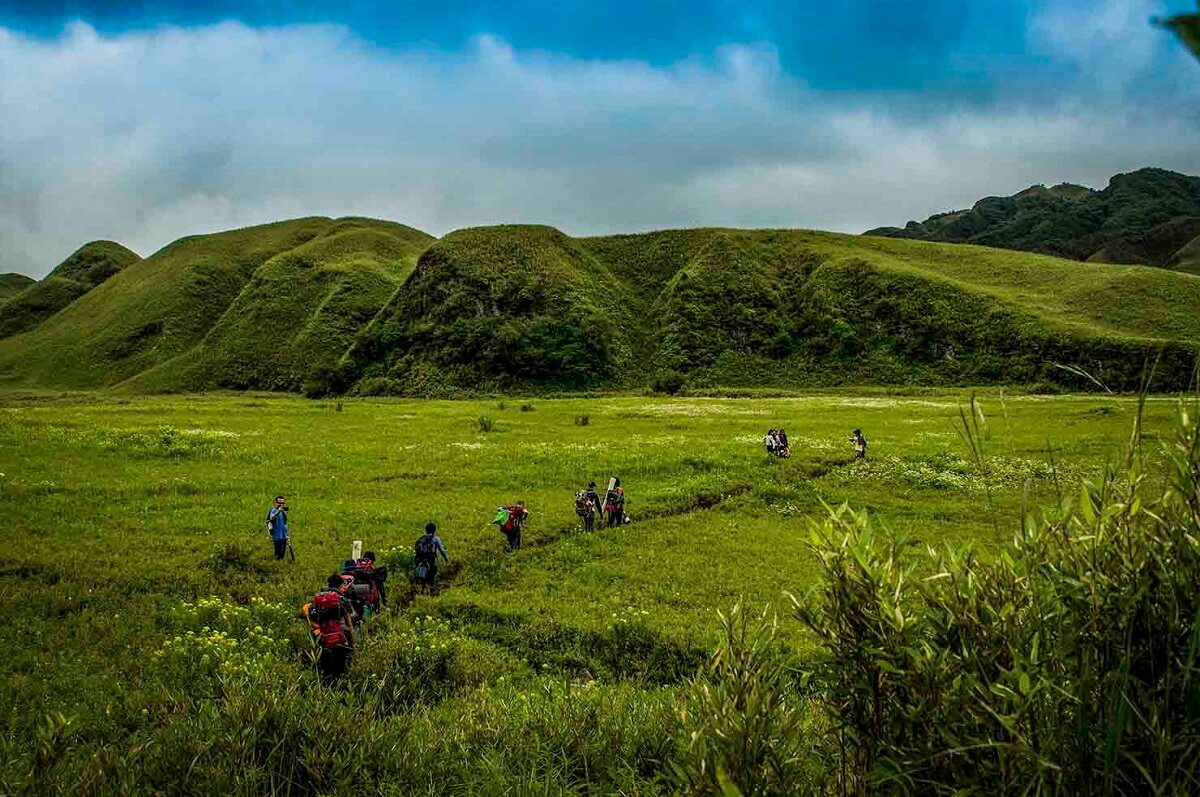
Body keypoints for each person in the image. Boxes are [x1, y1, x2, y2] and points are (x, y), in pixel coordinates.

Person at [308, 573, 356, 684]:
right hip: (341, 637)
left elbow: (312, 618)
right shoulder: (342, 599)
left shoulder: (318, 599)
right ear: (340, 586)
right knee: (341, 669)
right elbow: (349, 624)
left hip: (323, 638)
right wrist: (353, 643)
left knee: (325, 670)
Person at [414, 522, 449, 592]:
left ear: (425, 530)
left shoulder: (421, 539)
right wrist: (446, 559)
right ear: (434, 530)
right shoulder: (436, 539)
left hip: (420, 559)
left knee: (416, 568)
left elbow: (416, 551)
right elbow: (442, 551)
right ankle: (431, 588)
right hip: (430, 559)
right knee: (433, 570)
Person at [266, 495, 289, 561]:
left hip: (283, 534)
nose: (281, 504)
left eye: (283, 503)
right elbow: (271, 518)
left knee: (282, 553)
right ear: (276, 503)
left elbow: (285, 522)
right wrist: (278, 511)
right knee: (278, 553)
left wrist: (287, 533)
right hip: (277, 535)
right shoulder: (273, 510)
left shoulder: (284, 512)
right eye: (280, 503)